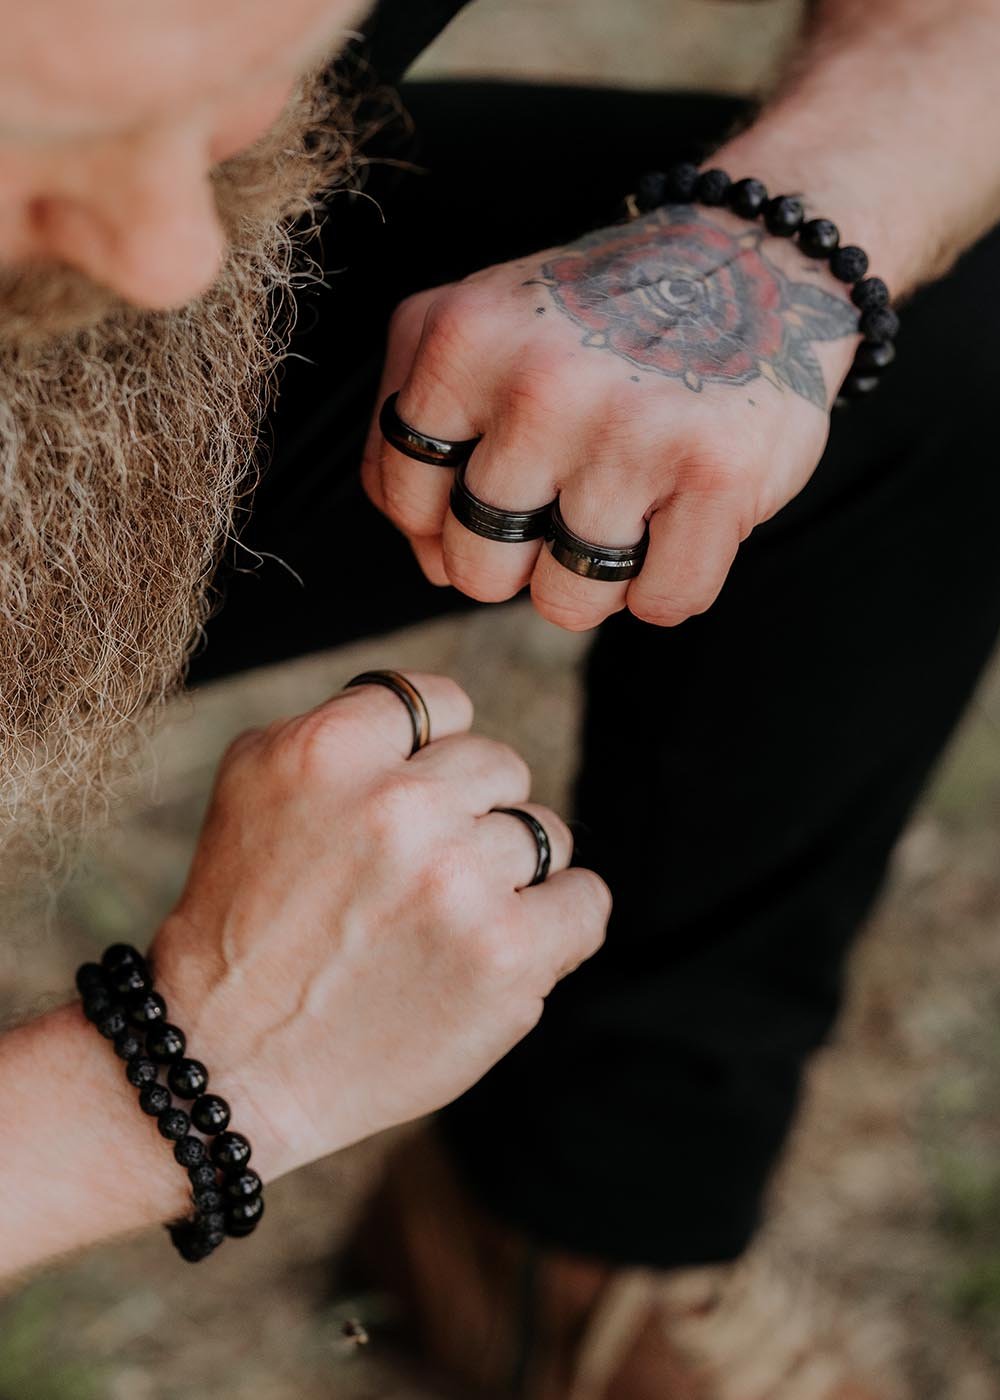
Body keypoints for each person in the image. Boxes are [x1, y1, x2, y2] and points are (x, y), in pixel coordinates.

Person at [2, 0, 1000, 1393]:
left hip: (45, 372)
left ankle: (559, 1238)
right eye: (42, 129)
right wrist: (158, 1093)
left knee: (919, 333)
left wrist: (779, 251)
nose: (171, 252)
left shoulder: (156, 230)